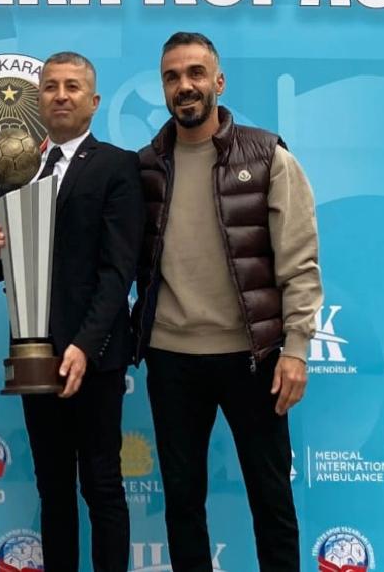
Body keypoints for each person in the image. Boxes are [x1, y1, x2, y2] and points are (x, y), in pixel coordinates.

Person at [134, 32, 322, 572]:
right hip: (171, 358)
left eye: (196, 73)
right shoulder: (145, 167)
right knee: (182, 504)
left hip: (253, 358)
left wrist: (296, 348)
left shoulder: (267, 156)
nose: (185, 85)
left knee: (271, 499)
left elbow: (300, 259)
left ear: (218, 80)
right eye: (172, 76)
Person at [0, 52, 142, 572]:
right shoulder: (19, 167)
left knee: (102, 485)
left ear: (93, 101)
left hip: (92, 357)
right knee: (52, 489)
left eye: (73, 86)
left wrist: (84, 347)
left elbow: (118, 270)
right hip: (34, 355)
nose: (61, 95)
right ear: (38, 100)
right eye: (51, 86)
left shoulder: (117, 166)